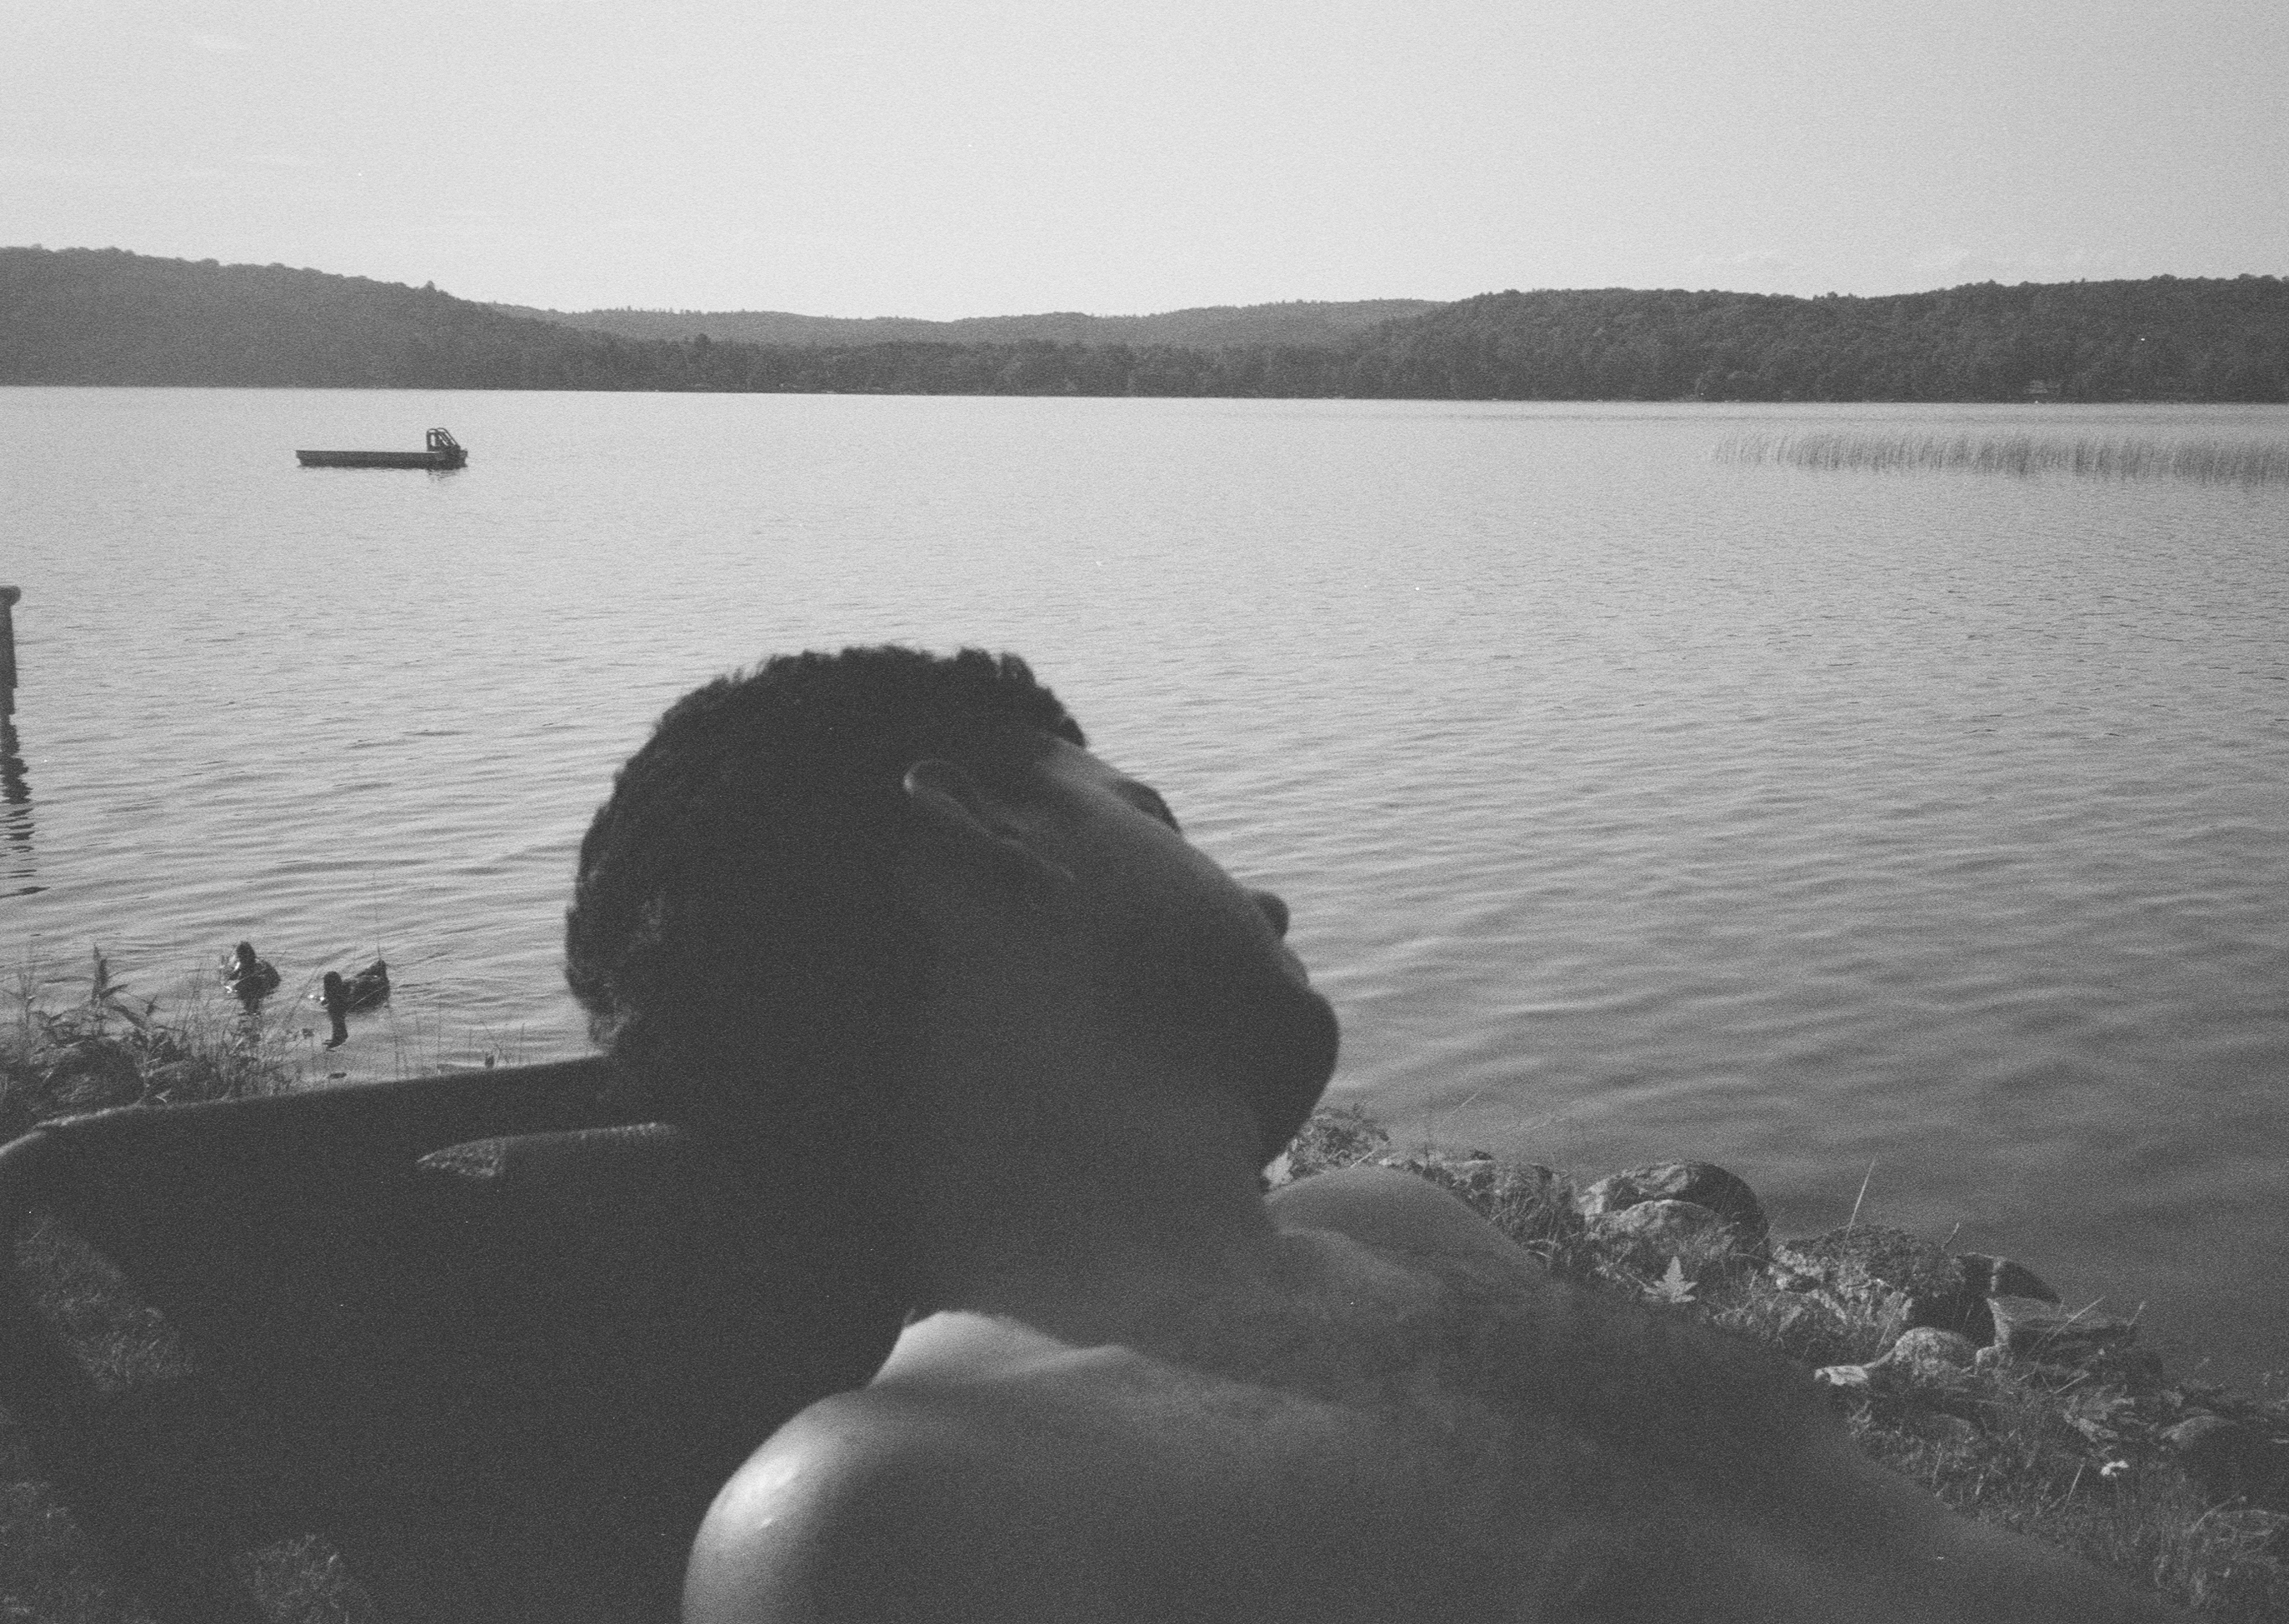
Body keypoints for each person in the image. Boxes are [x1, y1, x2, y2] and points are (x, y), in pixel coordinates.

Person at [565, 645, 2180, 1624]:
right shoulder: (891, 1507)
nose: (1267, 895)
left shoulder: (1398, 1229)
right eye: (1150, 811)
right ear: (987, 829)